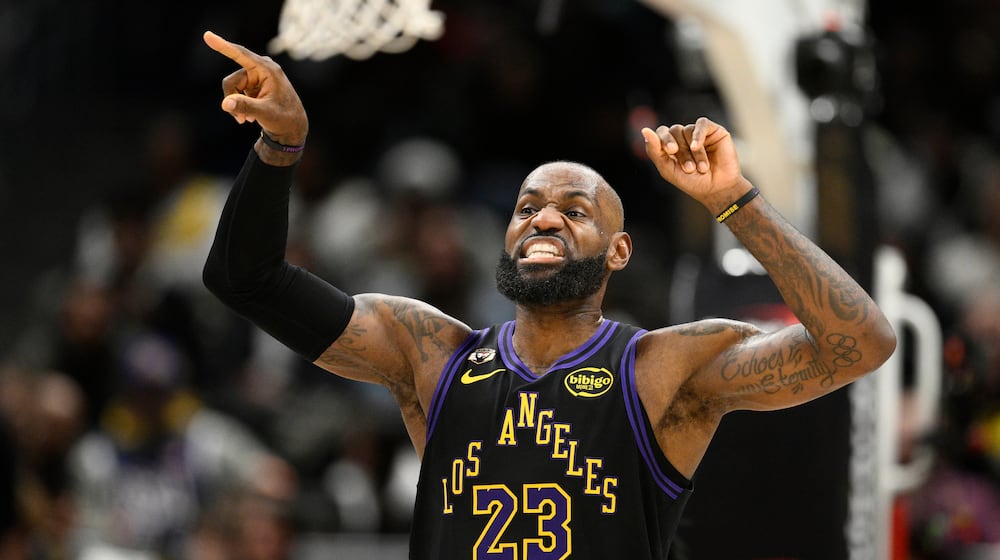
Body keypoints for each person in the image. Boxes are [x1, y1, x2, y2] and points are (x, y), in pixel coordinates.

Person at [199, 30, 897, 559]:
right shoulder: (430, 354)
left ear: (618, 251)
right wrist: (280, 147)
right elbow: (244, 278)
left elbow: (860, 344)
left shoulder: (663, 369)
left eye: (575, 210)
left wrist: (734, 202)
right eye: (528, 207)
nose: (545, 219)